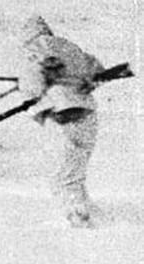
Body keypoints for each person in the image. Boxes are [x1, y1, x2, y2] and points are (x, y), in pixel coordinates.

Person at [17, 15, 106, 228]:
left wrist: (32, 99)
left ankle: (78, 219)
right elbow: (99, 71)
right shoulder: (69, 46)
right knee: (75, 171)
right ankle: (95, 216)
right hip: (88, 113)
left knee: (62, 176)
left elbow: (31, 82)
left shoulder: (36, 46)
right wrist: (81, 83)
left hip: (62, 115)